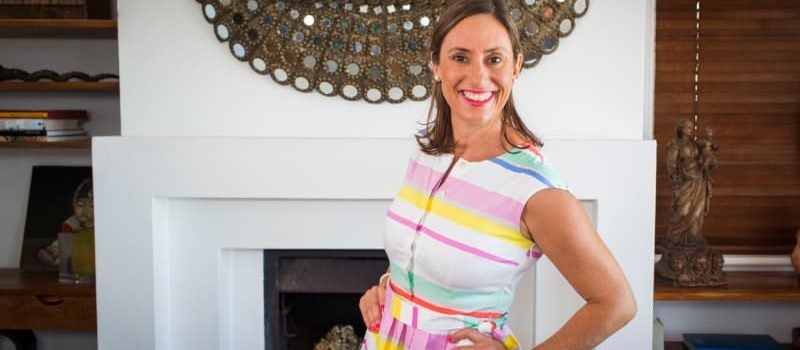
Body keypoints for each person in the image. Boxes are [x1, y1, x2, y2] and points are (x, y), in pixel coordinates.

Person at [358, 0, 636, 348]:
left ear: (516, 66)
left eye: (494, 59)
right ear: (435, 64)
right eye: (460, 57)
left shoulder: (537, 190)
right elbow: (421, 247)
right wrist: (388, 286)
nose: (478, 77)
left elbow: (617, 303)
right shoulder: (427, 150)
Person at [664, 119, 716, 248]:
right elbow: (671, 164)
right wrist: (676, 179)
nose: (691, 130)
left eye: (692, 128)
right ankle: (676, 238)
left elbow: (710, 148)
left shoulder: (695, 144)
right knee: (683, 211)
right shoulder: (676, 145)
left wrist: (709, 140)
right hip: (684, 183)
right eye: (688, 127)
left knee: (697, 214)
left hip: (698, 182)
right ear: (681, 129)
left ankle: (694, 237)